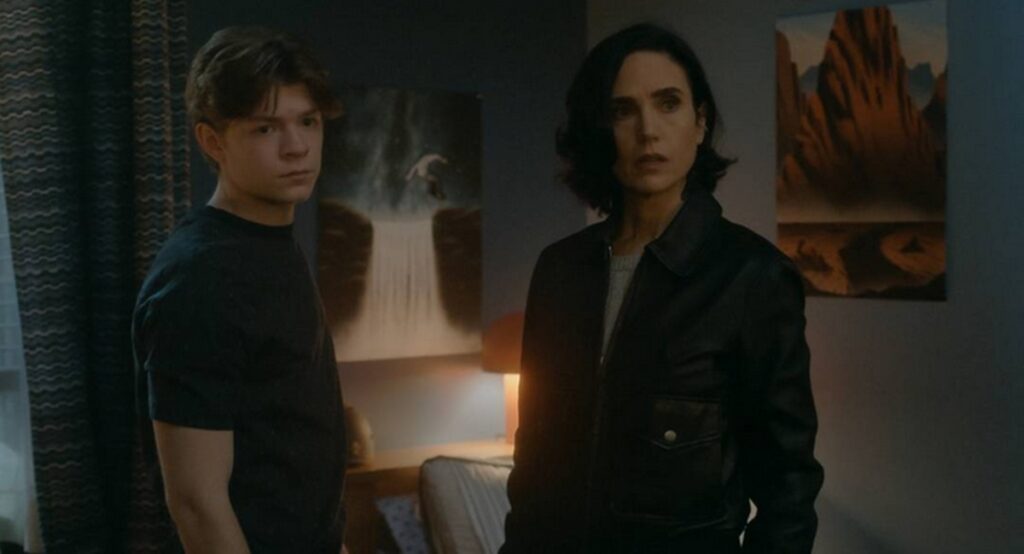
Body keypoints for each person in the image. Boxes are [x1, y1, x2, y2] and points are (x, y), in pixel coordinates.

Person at [501, 23, 823, 553]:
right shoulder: (560, 270)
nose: (647, 130)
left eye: (668, 103)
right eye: (622, 110)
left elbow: (789, 485)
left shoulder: (753, 276)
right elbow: (532, 458)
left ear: (700, 122)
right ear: (597, 128)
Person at [132, 27, 347, 553]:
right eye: (265, 128)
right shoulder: (199, 277)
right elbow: (196, 503)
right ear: (213, 141)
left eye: (308, 121)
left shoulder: (271, 242)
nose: (297, 147)